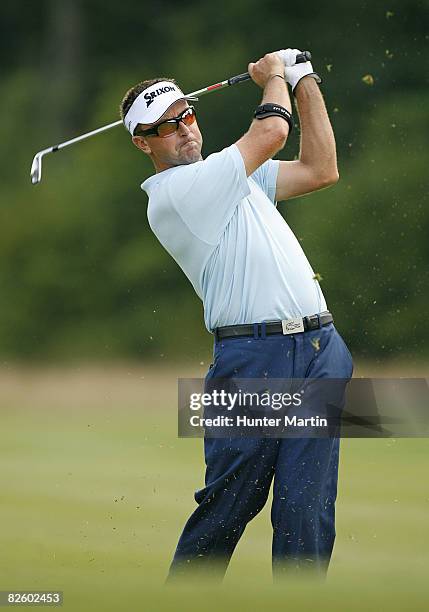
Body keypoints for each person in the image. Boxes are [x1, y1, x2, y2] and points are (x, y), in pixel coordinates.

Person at [120, 49, 353, 582]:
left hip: (320, 351)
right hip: (251, 359)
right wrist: (273, 75)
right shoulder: (175, 194)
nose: (184, 131)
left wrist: (303, 80)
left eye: (187, 115)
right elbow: (269, 134)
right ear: (143, 142)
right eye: (165, 127)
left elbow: (322, 170)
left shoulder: (234, 178)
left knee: (307, 510)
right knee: (228, 506)